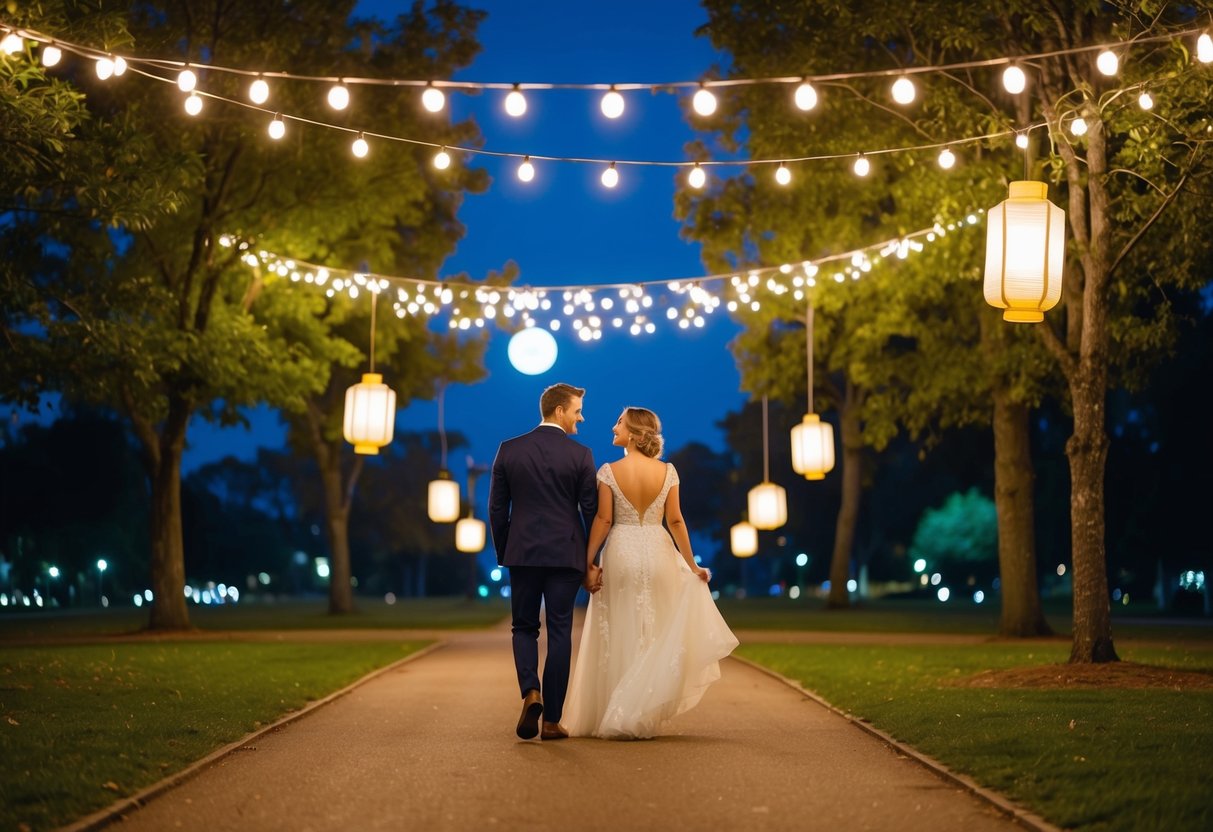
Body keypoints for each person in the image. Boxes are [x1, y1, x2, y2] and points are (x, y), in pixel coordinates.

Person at [562, 406, 739, 739]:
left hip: (622, 551)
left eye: (619, 423)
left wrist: (587, 562)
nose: (613, 427)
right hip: (658, 551)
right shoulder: (668, 472)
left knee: (618, 628)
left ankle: (621, 707)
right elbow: (675, 521)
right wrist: (692, 565)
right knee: (655, 629)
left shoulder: (609, 471)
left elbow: (603, 520)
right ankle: (641, 709)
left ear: (633, 433)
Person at [489, 383, 598, 741]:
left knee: (523, 627)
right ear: (560, 410)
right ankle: (552, 721)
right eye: (577, 410)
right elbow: (590, 512)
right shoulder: (581, 455)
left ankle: (530, 691)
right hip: (566, 555)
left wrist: (506, 549)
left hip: (522, 553)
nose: (581, 417)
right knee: (560, 632)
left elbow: (496, 509)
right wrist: (590, 560)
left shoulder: (509, 450)